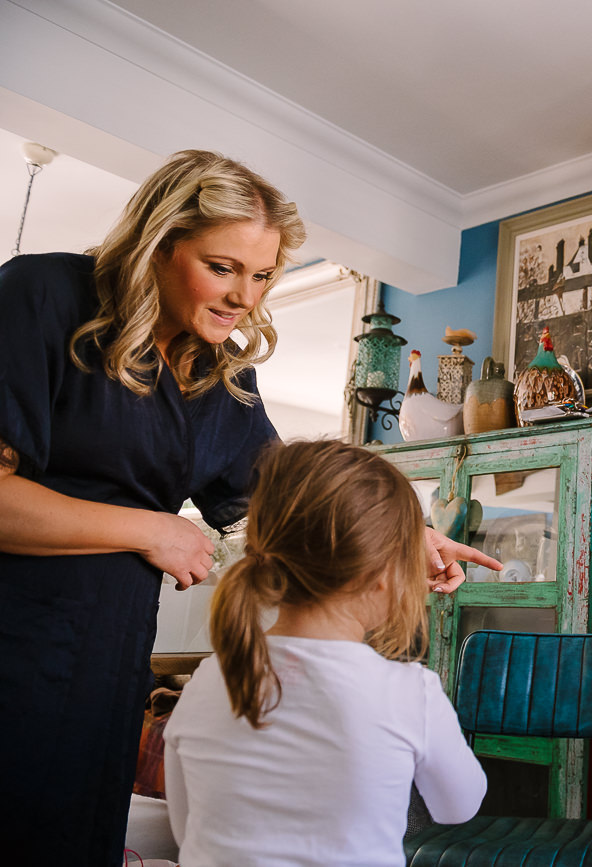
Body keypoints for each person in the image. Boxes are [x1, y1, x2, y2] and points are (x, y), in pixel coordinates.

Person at [0, 149, 481, 864]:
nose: (243, 297)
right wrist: (151, 528)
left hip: (110, 657)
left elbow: (296, 502)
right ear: (157, 245)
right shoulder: (43, 293)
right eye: (222, 268)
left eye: (261, 275)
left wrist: (406, 536)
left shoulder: (214, 368)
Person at [163, 439, 490, 866]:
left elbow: (186, 827)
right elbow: (459, 806)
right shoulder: (411, 692)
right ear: (383, 578)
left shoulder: (208, 679)